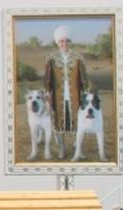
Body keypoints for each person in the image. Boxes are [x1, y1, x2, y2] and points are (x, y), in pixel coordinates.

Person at [44, 25, 89, 158]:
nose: (64, 44)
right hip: (58, 95)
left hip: (75, 94)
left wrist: (85, 92)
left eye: (67, 41)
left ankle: (78, 147)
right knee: (59, 121)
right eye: (61, 41)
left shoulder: (78, 57)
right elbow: (47, 78)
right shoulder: (51, 58)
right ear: (58, 43)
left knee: (79, 121)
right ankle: (62, 148)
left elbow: (84, 77)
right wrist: (47, 92)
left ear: (70, 42)